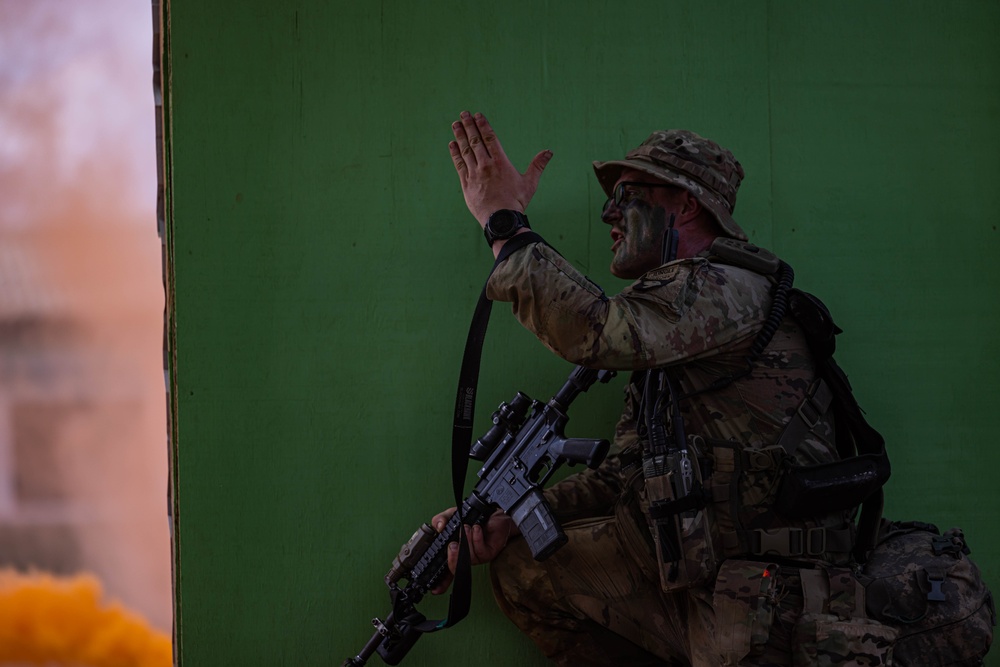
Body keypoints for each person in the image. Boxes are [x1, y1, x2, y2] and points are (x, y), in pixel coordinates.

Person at [432, 111, 880, 666]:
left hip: (765, 590)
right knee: (527, 568)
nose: (608, 212)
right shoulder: (671, 328)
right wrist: (511, 515)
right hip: (694, 570)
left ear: (685, 204)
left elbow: (595, 331)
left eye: (626, 194)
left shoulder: (725, 288)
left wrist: (505, 224)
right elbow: (626, 475)